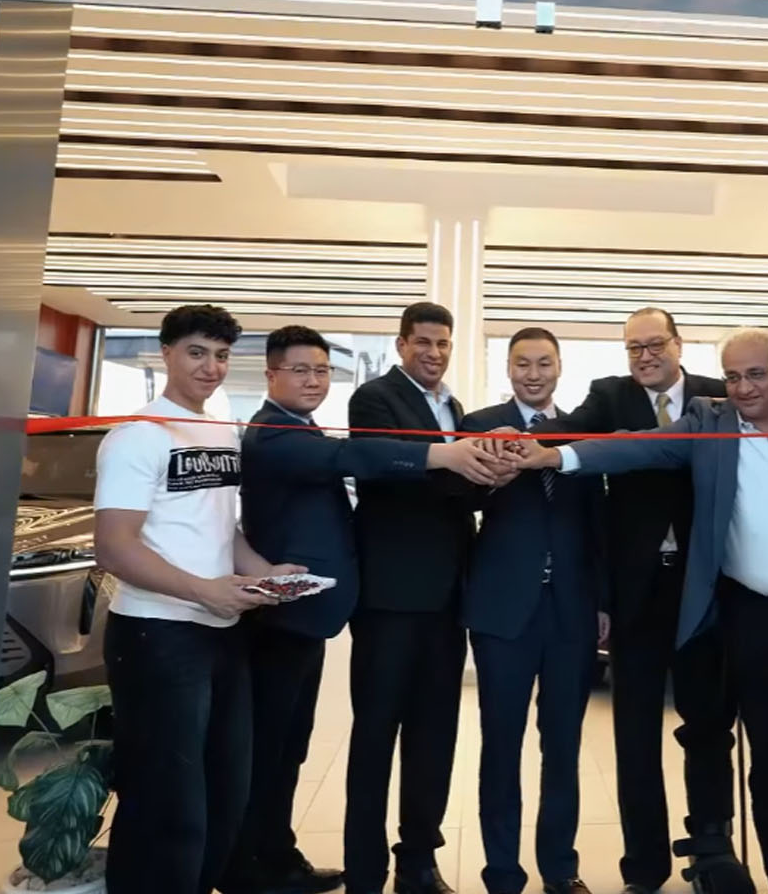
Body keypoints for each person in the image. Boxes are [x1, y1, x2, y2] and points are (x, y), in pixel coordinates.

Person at [501, 328, 768, 894]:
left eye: (755, 374)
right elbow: (633, 446)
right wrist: (553, 455)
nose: (744, 387)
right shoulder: (712, 423)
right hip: (753, 619)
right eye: (733, 376)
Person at [225, 326, 504, 894]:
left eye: (320, 370)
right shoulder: (282, 430)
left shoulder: (445, 408)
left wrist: (489, 467)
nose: (313, 380)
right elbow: (356, 457)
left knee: (293, 746)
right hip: (303, 611)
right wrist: (445, 454)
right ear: (271, 374)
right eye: (300, 370)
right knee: (284, 745)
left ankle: (280, 858)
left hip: (335, 608)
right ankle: (264, 868)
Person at [529, 307, 744, 894]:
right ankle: (643, 868)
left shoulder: (718, 396)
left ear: (679, 344)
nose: (644, 357)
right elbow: (565, 432)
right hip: (634, 594)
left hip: (705, 588)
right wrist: (514, 436)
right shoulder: (611, 396)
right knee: (635, 735)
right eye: (633, 348)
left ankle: (712, 852)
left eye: (654, 345)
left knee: (709, 726)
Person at [94, 304, 293, 894]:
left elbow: (220, 529)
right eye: (197, 353)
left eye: (222, 356)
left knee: (224, 789)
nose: (211, 367)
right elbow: (114, 546)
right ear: (167, 354)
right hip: (157, 634)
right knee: (166, 800)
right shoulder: (138, 436)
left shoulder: (219, 430)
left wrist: (265, 574)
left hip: (221, 632)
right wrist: (204, 591)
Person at [458, 328, 609, 894]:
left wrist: (603, 601)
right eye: (523, 363)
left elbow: (598, 523)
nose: (534, 374)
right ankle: (502, 873)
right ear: (508, 368)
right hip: (503, 611)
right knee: (501, 744)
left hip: (571, 610)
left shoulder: (581, 434)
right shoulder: (480, 425)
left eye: (544, 363)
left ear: (559, 367)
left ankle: (560, 869)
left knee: (562, 746)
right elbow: (460, 498)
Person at [344, 302, 480, 894]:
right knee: (375, 736)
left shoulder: (454, 408)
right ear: (401, 344)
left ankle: (418, 861)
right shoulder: (374, 398)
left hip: (448, 600)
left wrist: (491, 473)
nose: (434, 352)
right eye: (423, 341)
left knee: (434, 736)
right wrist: (453, 463)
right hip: (391, 600)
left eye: (443, 343)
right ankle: (365, 871)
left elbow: (458, 491)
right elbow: (378, 465)